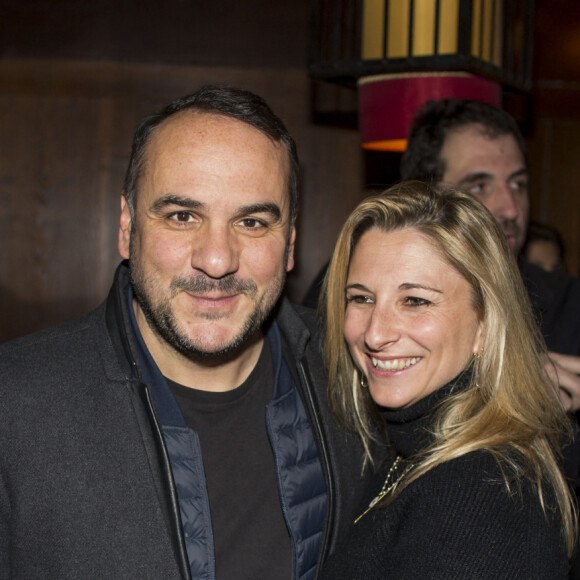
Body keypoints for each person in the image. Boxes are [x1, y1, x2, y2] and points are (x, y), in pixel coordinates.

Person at [0, 86, 367, 579]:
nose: (216, 259)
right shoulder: (15, 406)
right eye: (182, 216)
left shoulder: (358, 371)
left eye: (253, 221)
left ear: (290, 243)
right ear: (128, 227)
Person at [318, 181, 576, 579]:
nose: (374, 333)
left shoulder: (480, 492)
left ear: (485, 326)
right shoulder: (415, 447)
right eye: (361, 298)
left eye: (415, 301)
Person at [400, 98, 580, 412]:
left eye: (518, 184)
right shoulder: (367, 287)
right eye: (480, 186)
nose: (511, 208)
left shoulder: (569, 304)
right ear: (424, 195)